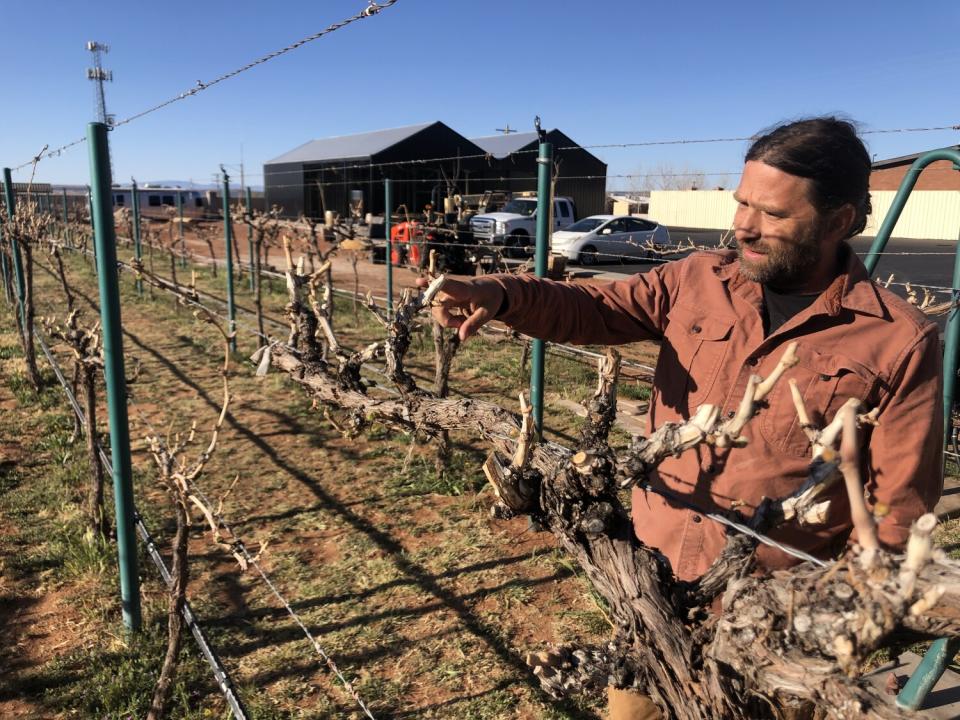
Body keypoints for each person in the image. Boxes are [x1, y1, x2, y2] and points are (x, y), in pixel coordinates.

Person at [423, 117, 944, 719]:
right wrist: (503, 293)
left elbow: (897, 508)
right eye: (742, 203)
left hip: (768, 626)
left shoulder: (897, 341)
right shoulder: (697, 280)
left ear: (839, 221)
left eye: (772, 214)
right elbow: (591, 306)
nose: (744, 226)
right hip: (652, 587)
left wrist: (828, 626)